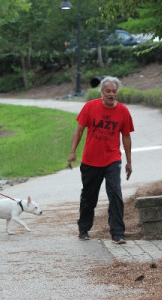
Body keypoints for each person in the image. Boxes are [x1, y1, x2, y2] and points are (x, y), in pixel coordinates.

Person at [67, 76, 134, 244]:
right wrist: (72, 152)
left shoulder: (123, 111)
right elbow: (79, 130)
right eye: (108, 91)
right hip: (90, 160)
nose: (111, 94)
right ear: (102, 92)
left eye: (114, 91)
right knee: (89, 197)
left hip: (112, 158)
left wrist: (129, 161)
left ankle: (118, 232)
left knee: (115, 194)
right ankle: (84, 228)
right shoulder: (90, 107)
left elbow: (126, 136)